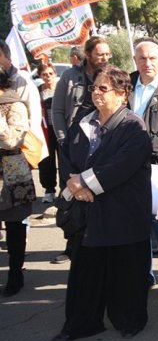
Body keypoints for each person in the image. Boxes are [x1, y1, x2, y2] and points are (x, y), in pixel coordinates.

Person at [52, 65, 153, 341]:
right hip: (89, 212)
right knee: (86, 271)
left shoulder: (133, 126)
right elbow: (67, 156)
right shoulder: (83, 122)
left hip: (124, 211)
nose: (96, 93)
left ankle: (129, 321)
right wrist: (74, 186)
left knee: (127, 271)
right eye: (94, 87)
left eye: (103, 88)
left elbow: (121, 166)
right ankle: (82, 324)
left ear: (122, 94)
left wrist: (82, 182)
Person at [51, 36, 111, 264]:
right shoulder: (69, 76)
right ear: (87, 53)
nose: (104, 58)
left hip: (98, 145)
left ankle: (93, 243)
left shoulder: (110, 75)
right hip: (72, 144)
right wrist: (63, 139)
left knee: (94, 192)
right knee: (71, 191)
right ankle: (72, 244)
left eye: (107, 54)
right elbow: (57, 111)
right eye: (99, 54)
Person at [129, 38, 158, 299]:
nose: (147, 63)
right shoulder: (124, 86)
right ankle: (142, 278)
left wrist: (138, 149)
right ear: (135, 60)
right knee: (137, 230)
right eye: (142, 58)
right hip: (128, 173)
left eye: (152, 58)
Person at [0, 69, 36, 297]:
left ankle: (15, 274)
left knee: (14, 225)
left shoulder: (15, 105)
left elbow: (12, 140)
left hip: (12, 173)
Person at [38, 62, 59, 203]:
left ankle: (66, 189)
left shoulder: (60, 89)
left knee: (65, 160)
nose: (48, 77)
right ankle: (49, 190)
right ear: (40, 76)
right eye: (44, 74)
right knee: (46, 161)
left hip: (60, 129)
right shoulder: (38, 90)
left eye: (50, 74)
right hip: (45, 131)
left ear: (55, 74)